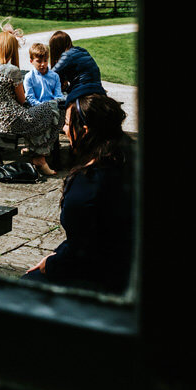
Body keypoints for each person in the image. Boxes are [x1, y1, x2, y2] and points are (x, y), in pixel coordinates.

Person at [22, 93, 133, 294]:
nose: (64, 130)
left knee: (24, 286)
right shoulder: (127, 159)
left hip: (105, 277)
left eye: (66, 124)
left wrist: (53, 263)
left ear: (85, 130)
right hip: (126, 261)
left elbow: (84, 250)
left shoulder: (88, 185)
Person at [0, 30, 61, 176]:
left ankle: (39, 156)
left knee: (47, 113)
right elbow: (22, 100)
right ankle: (40, 156)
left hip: (0, 123)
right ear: (11, 49)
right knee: (57, 109)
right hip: (17, 120)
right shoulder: (12, 71)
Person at [48, 31, 107, 104]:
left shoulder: (66, 56)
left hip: (83, 90)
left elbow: (50, 75)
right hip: (97, 87)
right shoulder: (81, 50)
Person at [23, 42, 65, 106]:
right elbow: (31, 98)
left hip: (54, 105)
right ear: (31, 61)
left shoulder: (55, 76)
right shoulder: (29, 78)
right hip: (37, 107)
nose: (43, 64)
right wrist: (44, 107)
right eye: (39, 61)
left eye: (45, 61)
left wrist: (53, 104)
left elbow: (58, 95)